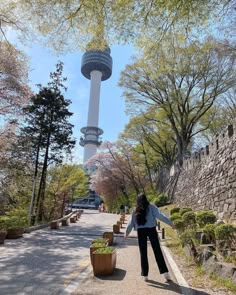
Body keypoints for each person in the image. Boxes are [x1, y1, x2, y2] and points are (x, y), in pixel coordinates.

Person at [124, 193, 175, 282]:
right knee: (157, 251)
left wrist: (126, 233)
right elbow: (160, 216)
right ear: (146, 199)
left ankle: (145, 275)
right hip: (151, 230)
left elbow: (131, 223)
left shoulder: (135, 209)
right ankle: (165, 274)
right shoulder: (151, 207)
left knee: (143, 253)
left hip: (141, 232)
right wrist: (171, 223)